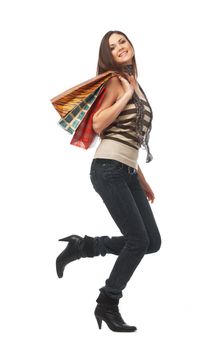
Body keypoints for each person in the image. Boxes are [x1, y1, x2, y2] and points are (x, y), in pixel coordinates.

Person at [56, 30, 162, 332]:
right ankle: (108, 302)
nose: (120, 48)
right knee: (138, 241)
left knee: (151, 242)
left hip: (126, 170)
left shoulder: (135, 84)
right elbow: (100, 123)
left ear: (131, 45)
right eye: (113, 47)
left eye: (122, 42)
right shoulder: (117, 82)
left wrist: (142, 178)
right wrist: (126, 95)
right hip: (108, 169)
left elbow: (129, 137)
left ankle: (84, 246)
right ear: (109, 56)